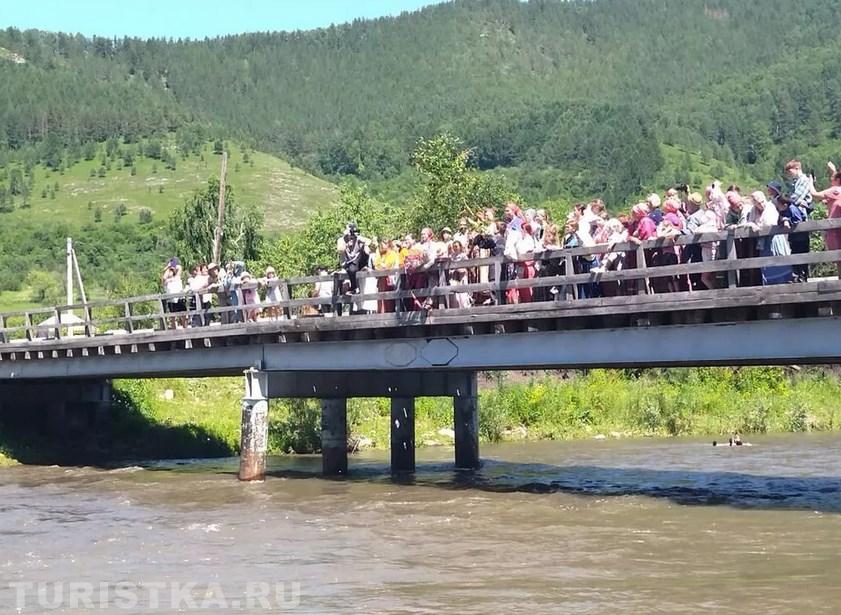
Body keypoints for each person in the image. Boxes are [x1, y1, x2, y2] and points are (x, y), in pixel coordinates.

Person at [747, 191, 791, 285]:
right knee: (767, 265)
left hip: (774, 239)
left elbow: (770, 222)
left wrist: (757, 225)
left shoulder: (770, 207)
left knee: (779, 259)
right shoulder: (753, 210)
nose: (761, 204)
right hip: (764, 243)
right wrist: (752, 225)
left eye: (762, 201)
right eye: (758, 203)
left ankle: (785, 284)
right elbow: (749, 221)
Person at [783, 160, 814, 282]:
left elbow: (796, 197)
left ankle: (802, 276)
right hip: (797, 216)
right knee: (795, 247)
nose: (789, 175)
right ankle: (797, 275)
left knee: (801, 246)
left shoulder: (803, 181)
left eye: (790, 172)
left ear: (796, 168)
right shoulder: (795, 182)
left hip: (801, 218)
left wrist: (787, 198)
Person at [809, 162, 841, 279]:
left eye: (832, 178)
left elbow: (815, 195)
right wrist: (833, 170)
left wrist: (810, 182)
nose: (830, 180)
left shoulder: (835, 191)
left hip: (835, 230)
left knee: (838, 258)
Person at [338, 223, 369, 295]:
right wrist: (346, 243)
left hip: (357, 262)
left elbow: (369, 242)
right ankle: (354, 287)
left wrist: (363, 243)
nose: (351, 237)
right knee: (351, 268)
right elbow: (340, 250)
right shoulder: (341, 240)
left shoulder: (357, 238)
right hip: (347, 264)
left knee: (365, 253)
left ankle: (365, 267)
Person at [161, 258, 186, 329]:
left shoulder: (177, 276)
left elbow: (179, 268)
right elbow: (164, 278)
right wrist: (168, 268)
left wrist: (172, 266)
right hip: (171, 299)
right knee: (173, 316)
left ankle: (185, 328)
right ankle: (174, 329)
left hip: (179, 297)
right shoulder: (166, 280)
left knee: (183, 314)